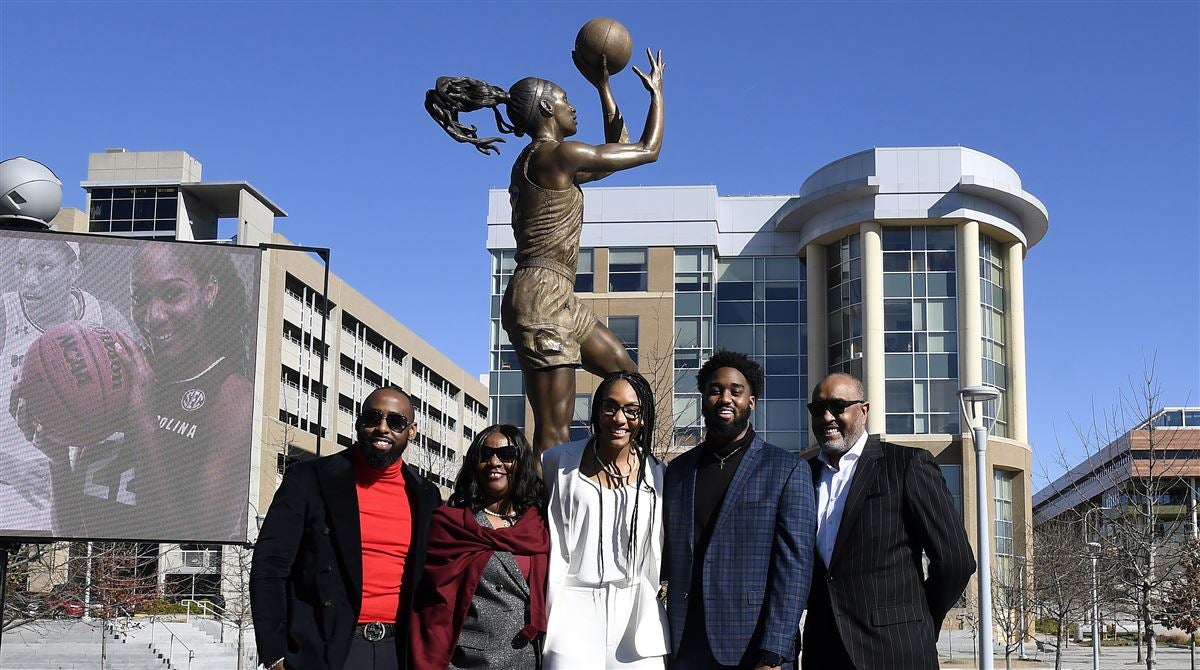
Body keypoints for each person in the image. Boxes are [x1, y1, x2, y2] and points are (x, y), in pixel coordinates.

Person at [426, 47, 664, 454]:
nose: (574, 108)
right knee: (553, 435)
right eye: (567, 101)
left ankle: (617, 474)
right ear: (547, 107)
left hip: (556, 295)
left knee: (627, 378)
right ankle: (544, 515)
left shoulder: (544, 160)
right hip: (542, 295)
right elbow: (646, 151)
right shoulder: (556, 155)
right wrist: (656, 95)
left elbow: (612, 155)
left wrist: (603, 87)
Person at [251, 386, 442, 670]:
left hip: (401, 650)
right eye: (372, 418)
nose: (382, 428)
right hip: (326, 649)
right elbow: (269, 566)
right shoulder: (309, 480)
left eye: (395, 421)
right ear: (357, 424)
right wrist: (275, 654)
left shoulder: (426, 495)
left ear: (411, 431)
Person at [801, 373, 975, 670]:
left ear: (864, 410)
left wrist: (922, 619)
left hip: (896, 650)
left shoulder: (906, 465)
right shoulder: (801, 476)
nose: (827, 416)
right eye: (818, 409)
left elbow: (956, 561)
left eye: (838, 406)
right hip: (823, 652)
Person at [85, 241, 255, 541]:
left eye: (172, 294)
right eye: (139, 297)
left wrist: (143, 420)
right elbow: (71, 528)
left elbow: (194, 546)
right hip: (87, 579)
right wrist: (57, 458)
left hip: (155, 586)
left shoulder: (234, 398)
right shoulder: (122, 374)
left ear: (209, 291)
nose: (153, 317)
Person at [663, 350, 815, 670]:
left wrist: (775, 650)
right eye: (715, 390)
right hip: (685, 645)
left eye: (736, 390)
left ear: (752, 401)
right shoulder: (677, 472)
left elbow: (795, 568)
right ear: (703, 398)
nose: (725, 398)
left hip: (753, 648)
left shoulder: (786, 469)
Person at [0, 236, 132, 534]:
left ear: (74, 271)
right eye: (22, 265)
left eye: (44, 266)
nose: (29, 280)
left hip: (79, 496)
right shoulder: (4, 316)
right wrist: (12, 469)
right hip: (11, 492)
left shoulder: (106, 320)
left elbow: (141, 406)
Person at [541, 370, 669, 669]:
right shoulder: (557, 462)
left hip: (637, 614)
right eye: (610, 407)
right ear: (598, 410)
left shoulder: (657, 474)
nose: (619, 418)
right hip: (572, 610)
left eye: (631, 410)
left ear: (643, 417)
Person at [411, 424, 549, 670]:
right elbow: (433, 604)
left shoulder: (539, 524)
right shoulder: (451, 524)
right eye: (485, 455)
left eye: (507, 455)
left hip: (529, 658)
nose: (495, 462)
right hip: (470, 661)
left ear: (522, 462)